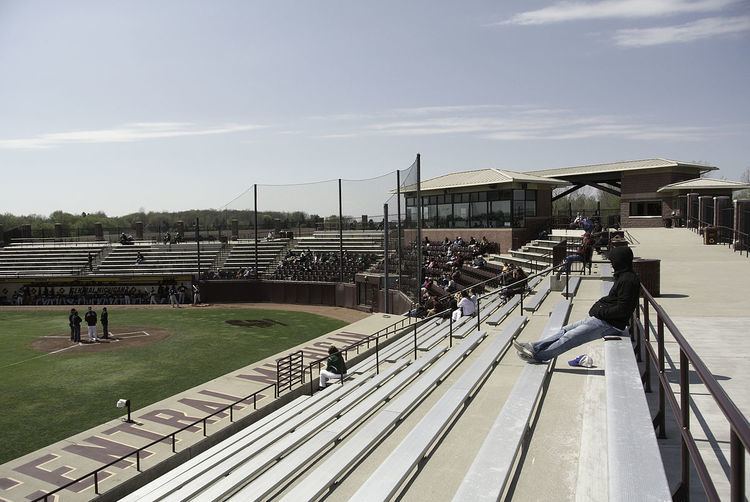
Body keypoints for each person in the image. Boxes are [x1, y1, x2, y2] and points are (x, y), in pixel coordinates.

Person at [514, 246, 640, 363]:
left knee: (570, 337)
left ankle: (538, 356)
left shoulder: (628, 280)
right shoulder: (623, 276)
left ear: (620, 261)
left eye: (613, 261)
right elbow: (613, 300)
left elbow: (623, 309)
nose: (612, 264)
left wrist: (598, 311)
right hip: (605, 319)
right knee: (565, 330)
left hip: (611, 325)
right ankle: (535, 346)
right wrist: (598, 305)